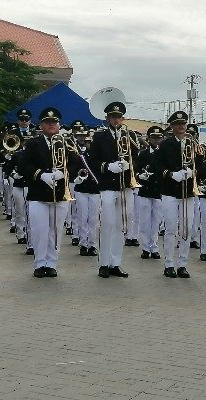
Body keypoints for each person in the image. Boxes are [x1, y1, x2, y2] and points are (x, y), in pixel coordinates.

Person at [19, 107, 72, 278]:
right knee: (40, 230)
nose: (51, 125)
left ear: (59, 124)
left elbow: (78, 162)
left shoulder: (66, 142)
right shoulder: (33, 143)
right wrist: (41, 175)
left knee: (55, 231)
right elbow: (24, 165)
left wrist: (63, 172)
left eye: (54, 122)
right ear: (41, 124)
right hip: (38, 194)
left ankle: (52, 263)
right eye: (47, 122)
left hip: (60, 194)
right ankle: (40, 263)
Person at [89, 101, 138, 278]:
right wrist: (108, 166)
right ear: (107, 118)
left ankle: (115, 262)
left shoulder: (129, 135)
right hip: (108, 186)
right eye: (113, 117)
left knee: (122, 225)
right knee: (107, 224)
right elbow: (92, 161)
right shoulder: (99, 137)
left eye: (119, 117)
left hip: (125, 186)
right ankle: (103, 263)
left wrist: (130, 165)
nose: (116, 120)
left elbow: (137, 157)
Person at [152, 111, 195, 279]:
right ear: (171, 126)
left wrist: (192, 171)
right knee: (170, 228)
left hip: (188, 192)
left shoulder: (192, 143)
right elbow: (157, 165)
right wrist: (171, 174)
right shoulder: (166, 144)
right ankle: (169, 263)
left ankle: (182, 264)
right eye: (177, 124)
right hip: (170, 190)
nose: (181, 127)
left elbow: (199, 162)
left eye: (183, 124)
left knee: (187, 228)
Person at [135, 126, 164, 260]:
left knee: (156, 220)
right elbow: (136, 170)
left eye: (158, 137)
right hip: (145, 189)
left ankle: (154, 246)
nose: (156, 140)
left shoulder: (165, 153)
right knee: (145, 220)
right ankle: (145, 248)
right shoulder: (144, 154)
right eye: (153, 138)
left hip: (159, 190)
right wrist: (140, 175)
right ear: (149, 139)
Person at [71, 128, 100, 257]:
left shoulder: (98, 156)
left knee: (93, 219)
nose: (88, 144)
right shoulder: (78, 155)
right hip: (81, 190)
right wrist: (77, 178)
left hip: (95, 190)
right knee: (82, 217)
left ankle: (92, 244)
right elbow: (72, 170)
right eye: (87, 142)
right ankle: (83, 244)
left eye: (90, 142)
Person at [186, 123, 203, 250]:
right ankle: (182, 238)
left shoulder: (199, 148)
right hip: (182, 182)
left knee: (195, 214)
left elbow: (201, 164)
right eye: (188, 133)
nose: (190, 136)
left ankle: (193, 238)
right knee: (183, 214)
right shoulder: (182, 146)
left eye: (192, 134)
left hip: (194, 183)